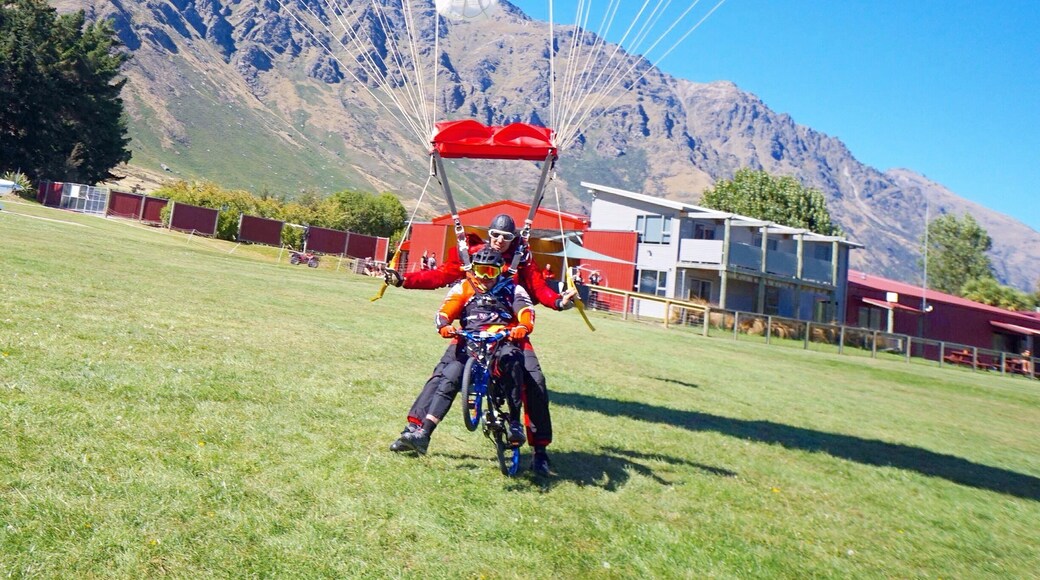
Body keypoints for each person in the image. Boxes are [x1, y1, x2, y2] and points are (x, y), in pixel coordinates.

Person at [384, 213, 575, 475]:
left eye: (506, 237)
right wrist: (405, 280)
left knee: (535, 380)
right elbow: (441, 276)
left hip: (509, 333)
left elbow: (537, 290)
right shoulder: (472, 256)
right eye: (495, 235)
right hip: (473, 332)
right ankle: (416, 431)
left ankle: (539, 451)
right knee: (443, 373)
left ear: (514, 238)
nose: (499, 241)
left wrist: (558, 302)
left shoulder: (522, 260)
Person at [397, 248, 532, 453]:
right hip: (471, 343)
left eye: (491, 272)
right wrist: (444, 325)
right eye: (480, 271)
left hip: (501, 342)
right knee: (449, 374)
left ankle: (515, 423)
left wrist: (522, 327)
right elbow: (445, 311)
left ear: (499, 271)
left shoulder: (512, 288)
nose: (485, 277)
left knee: (512, 362)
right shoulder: (464, 287)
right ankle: (423, 433)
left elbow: (525, 311)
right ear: (473, 270)